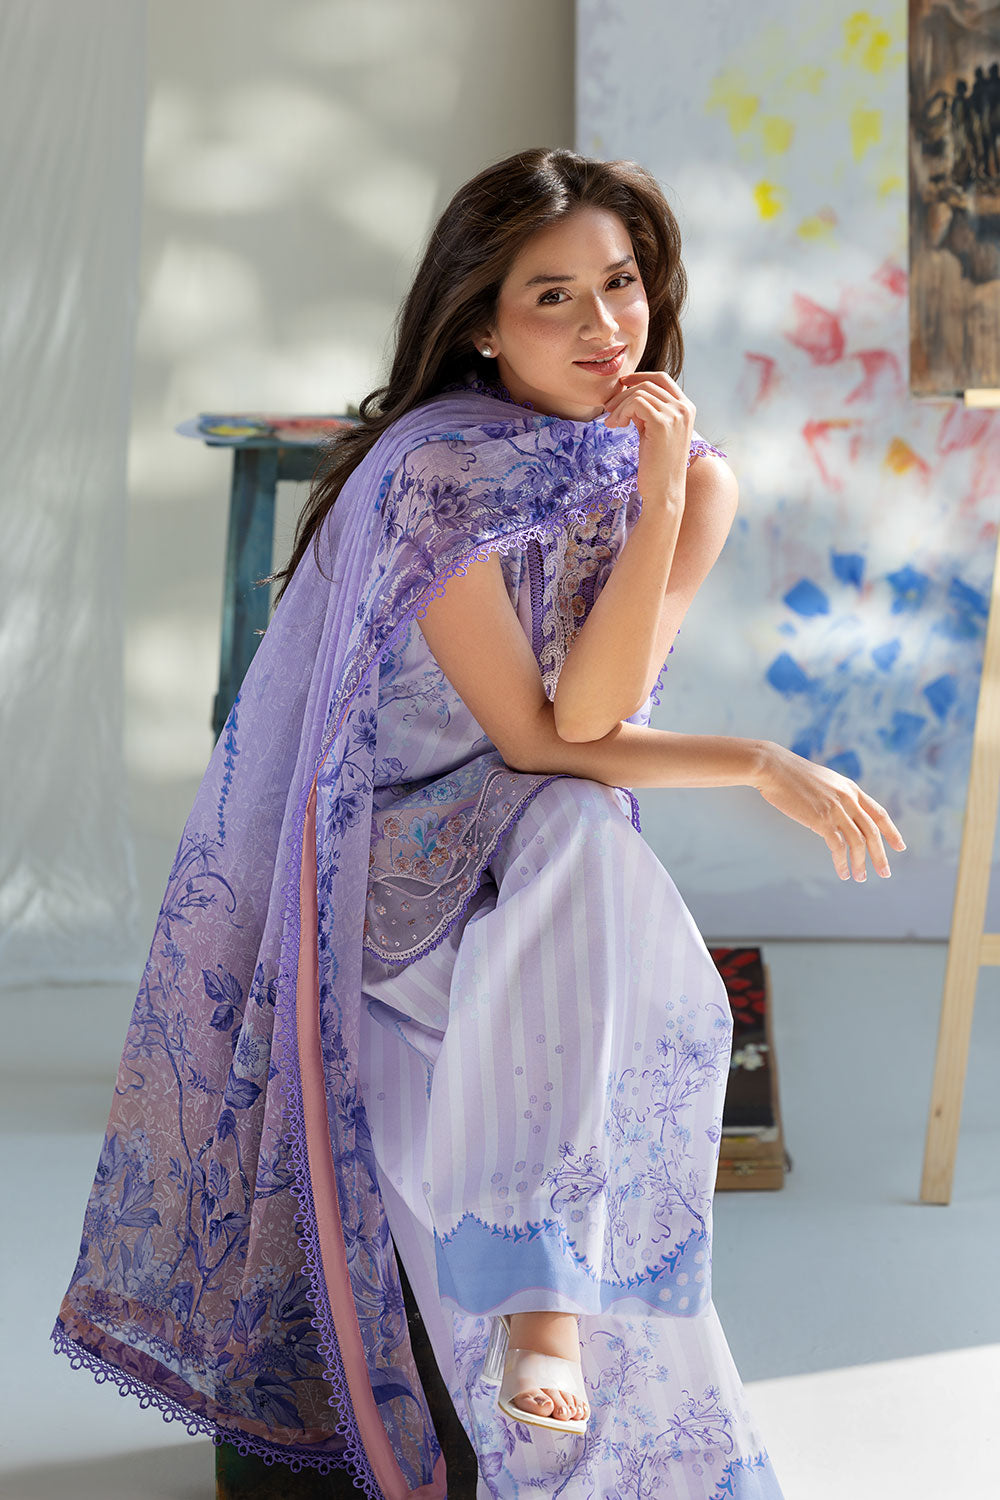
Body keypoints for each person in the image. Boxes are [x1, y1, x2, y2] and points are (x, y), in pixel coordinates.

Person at [53, 147, 905, 1498]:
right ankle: (536, 1293)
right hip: (387, 862)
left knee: (584, 838)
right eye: (552, 296)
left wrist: (660, 494)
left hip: (541, 853)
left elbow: (600, 711)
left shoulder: (690, 480)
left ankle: (544, 1299)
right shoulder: (433, 473)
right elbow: (540, 734)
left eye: (621, 284)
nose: (604, 325)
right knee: (578, 819)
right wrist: (758, 762)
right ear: (483, 325)